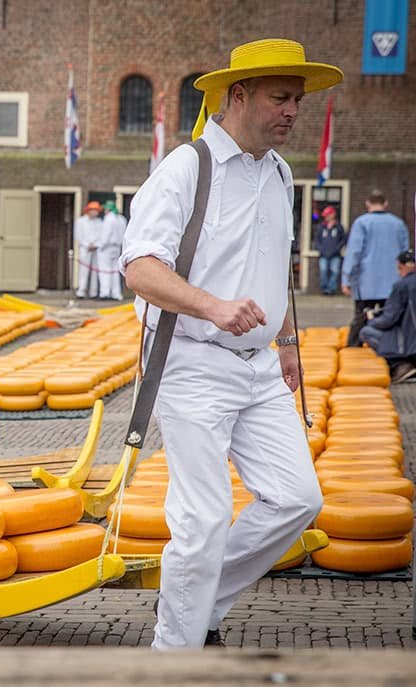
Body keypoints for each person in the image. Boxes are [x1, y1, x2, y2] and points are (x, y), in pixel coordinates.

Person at [120, 38, 341, 650]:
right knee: (204, 519)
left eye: (297, 99)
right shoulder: (187, 167)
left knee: (299, 499)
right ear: (237, 95)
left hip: (262, 369)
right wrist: (213, 306)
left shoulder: (280, 171)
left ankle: (195, 599)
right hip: (191, 365)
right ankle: (176, 654)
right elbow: (139, 268)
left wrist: (289, 339)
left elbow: (276, 263)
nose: (293, 110)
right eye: (280, 97)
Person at [341, 190, 410, 346]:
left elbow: (354, 252)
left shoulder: (362, 223)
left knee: (361, 318)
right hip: (393, 282)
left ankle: (353, 350)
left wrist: (346, 279)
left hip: (367, 283)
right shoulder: (398, 224)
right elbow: (406, 255)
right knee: (391, 319)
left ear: (367, 204)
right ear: (386, 204)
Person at [359, 250, 416, 383]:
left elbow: (389, 319)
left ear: (400, 267)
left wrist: (372, 321)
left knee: (366, 332)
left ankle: (400, 365)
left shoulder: (401, 286)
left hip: (410, 344)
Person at [313, 206, 347, 295]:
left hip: (335, 254)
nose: (326, 217)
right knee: (323, 271)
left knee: (334, 271)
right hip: (323, 254)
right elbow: (317, 240)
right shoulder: (321, 227)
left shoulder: (339, 227)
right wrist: (321, 249)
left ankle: (331, 290)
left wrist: (336, 249)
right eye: (325, 215)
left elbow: (343, 240)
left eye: (328, 215)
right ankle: (325, 289)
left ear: (333, 214)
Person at [73, 201, 103, 298]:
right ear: (89, 211)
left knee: (95, 270)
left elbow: (101, 235)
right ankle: (81, 291)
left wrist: (96, 244)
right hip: (85, 248)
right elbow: (78, 235)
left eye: (97, 210)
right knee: (84, 270)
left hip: (96, 248)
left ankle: (93, 292)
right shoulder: (81, 221)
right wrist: (87, 245)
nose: (95, 212)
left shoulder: (99, 222)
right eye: (94, 210)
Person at [98, 201, 126, 300]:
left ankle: (105, 293)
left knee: (105, 270)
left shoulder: (109, 219)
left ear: (108, 209)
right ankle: (116, 293)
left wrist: (100, 245)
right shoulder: (121, 219)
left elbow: (106, 234)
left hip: (107, 247)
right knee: (115, 271)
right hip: (117, 246)